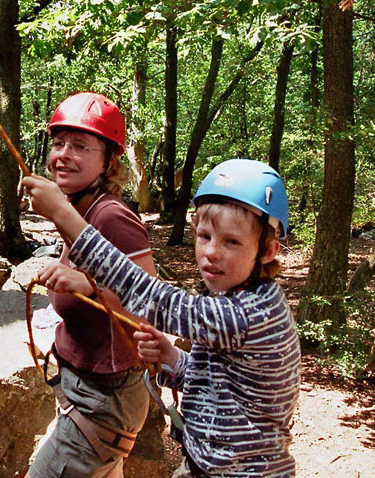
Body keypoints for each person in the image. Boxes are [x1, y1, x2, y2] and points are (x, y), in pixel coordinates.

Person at [22, 159, 301, 477]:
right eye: (204, 235)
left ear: (267, 251)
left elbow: (152, 297)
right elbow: (222, 386)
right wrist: (174, 360)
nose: (210, 251)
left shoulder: (250, 314)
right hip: (206, 466)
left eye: (231, 241)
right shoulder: (238, 298)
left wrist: (63, 214)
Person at [26, 92, 158, 477]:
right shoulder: (78, 210)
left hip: (104, 398)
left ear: (109, 162)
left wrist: (87, 286)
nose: (63, 154)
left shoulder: (111, 217)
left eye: (80, 146)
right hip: (83, 390)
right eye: (58, 143)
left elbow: (149, 308)